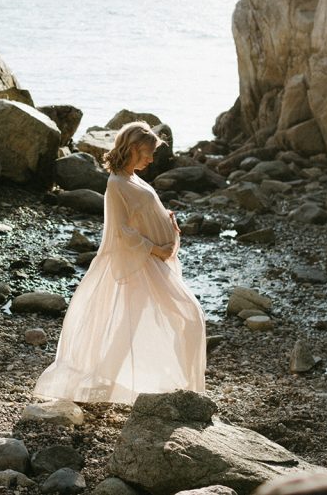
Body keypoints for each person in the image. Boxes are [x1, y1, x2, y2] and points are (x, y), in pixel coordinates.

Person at [32, 121, 207, 404]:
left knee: (139, 322)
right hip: (142, 264)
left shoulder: (131, 178)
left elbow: (143, 212)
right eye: (147, 153)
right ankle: (181, 389)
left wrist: (166, 220)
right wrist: (156, 249)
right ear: (133, 148)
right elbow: (121, 231)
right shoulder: (116, 184)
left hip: (153, 261)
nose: (151, 159)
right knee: (187, 314)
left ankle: (124, 384)